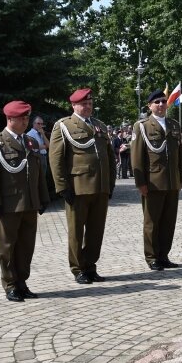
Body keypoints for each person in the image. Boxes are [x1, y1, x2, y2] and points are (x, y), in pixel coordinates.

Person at [0, 101, 50, 302]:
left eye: (27, 118)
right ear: (9, 119)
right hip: (9, 203)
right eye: (21, 118)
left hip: (29, 202)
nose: (25, 121)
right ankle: (10, 284)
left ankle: (22, 282)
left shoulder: (30, 141)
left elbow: (38, 173)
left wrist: (43, 197)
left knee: (26, 245)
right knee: (8, 246)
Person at [49, 88, 116, 284]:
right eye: (83, 104)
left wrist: (110, 184)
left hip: (100, 188)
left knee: (96, 231)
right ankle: (78, 268)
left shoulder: (100, 125)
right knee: (77, 231)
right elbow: (56, 159)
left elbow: (110, 157)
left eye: (90, 103)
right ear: (73, 105)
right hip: (77, 188)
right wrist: (62, 187)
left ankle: (90, 265)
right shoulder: (64, 126)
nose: (87, 106)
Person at [131, 90, 182, 271]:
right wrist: (141, 183)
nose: (161, 105)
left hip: (172, 182)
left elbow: (178, 156)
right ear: (150, 106)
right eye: (157, 102)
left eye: (163, 101)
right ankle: (152, 257)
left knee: (169, 221)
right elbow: (137, 157)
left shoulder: (174, 125)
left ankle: (164, 255)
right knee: (152, 221)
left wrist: (180, 179)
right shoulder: (142, 126)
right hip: (153, 182)